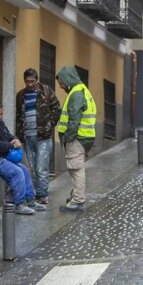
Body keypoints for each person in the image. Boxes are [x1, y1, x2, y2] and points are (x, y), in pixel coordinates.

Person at [16, 68, 62, 205]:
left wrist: (50, 125)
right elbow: (18, 115)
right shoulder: (20, 96)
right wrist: (20, 133)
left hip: (43, 137)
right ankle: (34, 194)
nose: (30, 84)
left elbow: (57, 109)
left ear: (37, 80)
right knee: (32, 168)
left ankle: (42, 195)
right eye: (27, 81)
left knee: (41, 168)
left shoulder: (46, 91)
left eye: (32, 81)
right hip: (28, 137)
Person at [0, 101, 44, 215]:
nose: (0, 117)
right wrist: (11, 145)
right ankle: (19, 203)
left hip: (4, 157)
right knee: (17, 172)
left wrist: (15, 139)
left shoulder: (0, 124)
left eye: (1, 114)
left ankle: (30, 200)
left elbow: (7, 135)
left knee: (24, 169)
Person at [55, 66, 96, 212]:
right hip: (84, 136)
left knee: (76, 168)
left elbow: (74, 119)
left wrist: (68, 137)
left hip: (77, 137)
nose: (61, 86)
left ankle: (78, 200)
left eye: (61, 82)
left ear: (68, 79)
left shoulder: (76, 94)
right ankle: (75, 196)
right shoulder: (82, 90)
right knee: (76, 167)